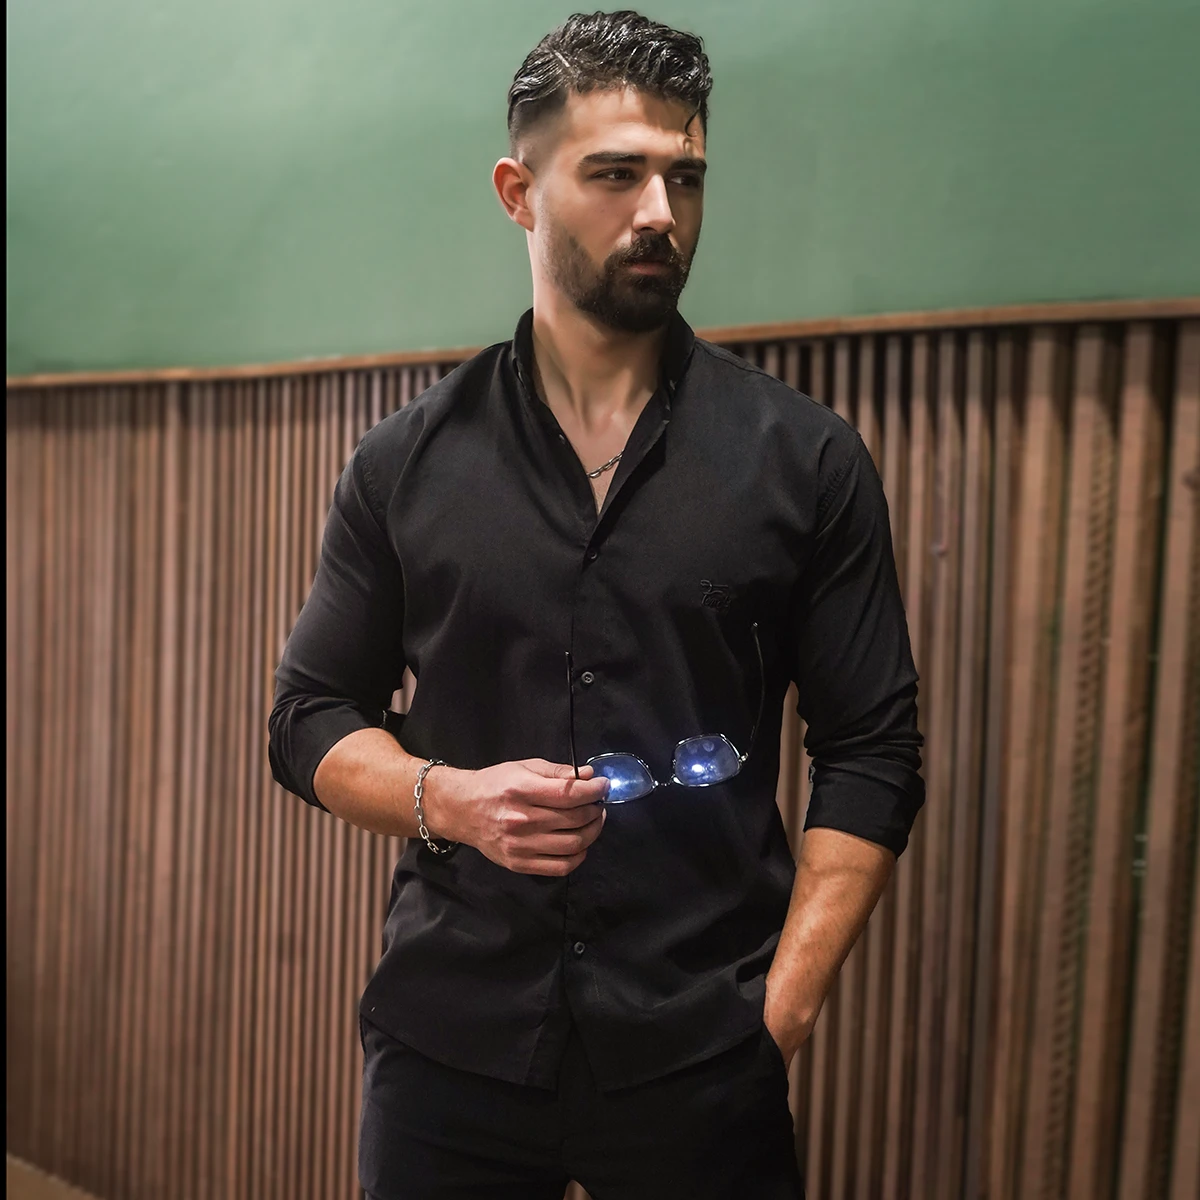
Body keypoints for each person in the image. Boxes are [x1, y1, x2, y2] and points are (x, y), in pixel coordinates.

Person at [268, 10, 924, 1199]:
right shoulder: (404, 463)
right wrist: (449, 800)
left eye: (686, 177)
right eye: (617, 174)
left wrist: (782, 1010)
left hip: (705, 1053)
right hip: (450, 1047)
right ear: (519, 193)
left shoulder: (806, 460)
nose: (660, 211)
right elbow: (309, 716)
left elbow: (873, 753)